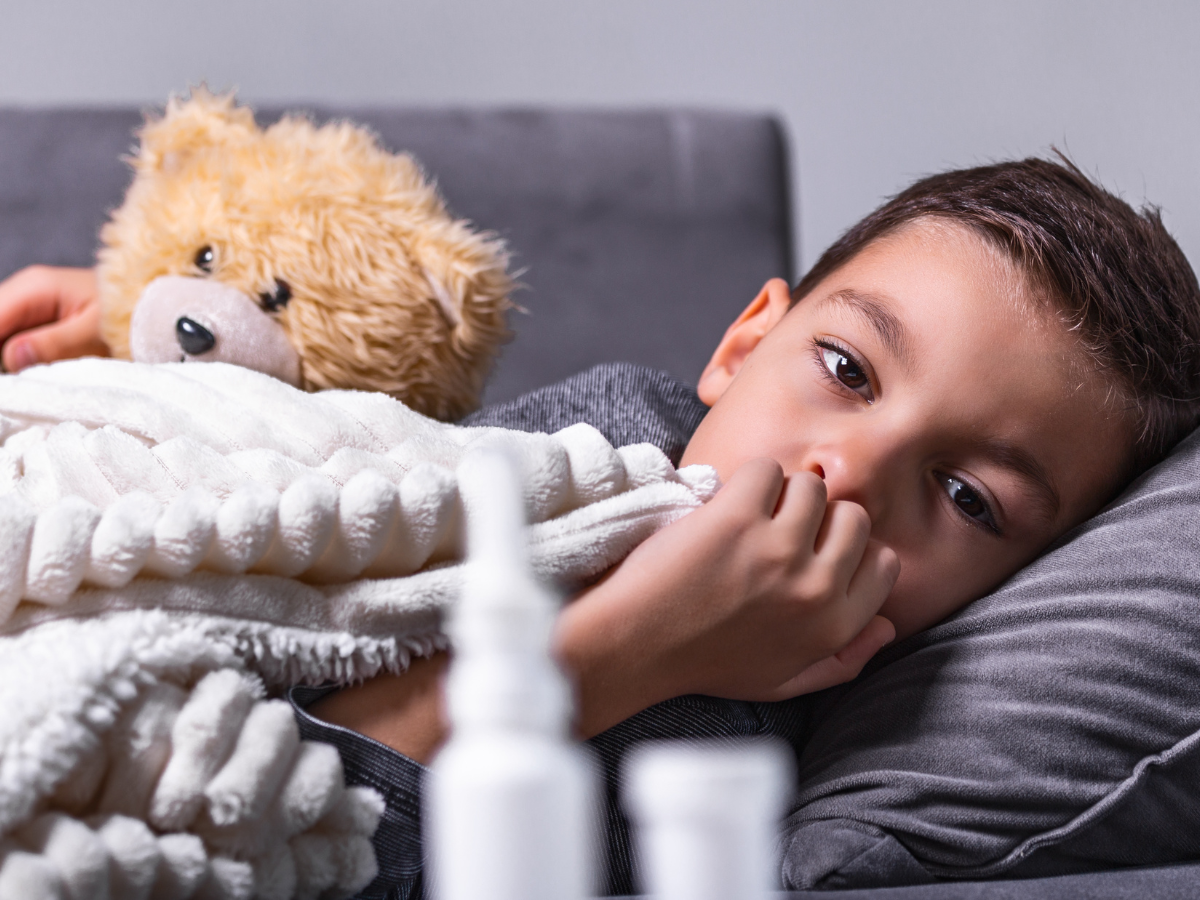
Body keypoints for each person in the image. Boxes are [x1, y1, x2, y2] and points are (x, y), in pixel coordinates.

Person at [3, 157, 1199, 897]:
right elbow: (318, 523)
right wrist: (159, 361)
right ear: (742, 346)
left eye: (968, 499)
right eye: (844, 367)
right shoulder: (597, 443)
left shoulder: (799, 750)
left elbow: (278, 827)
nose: (847, 470)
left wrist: (638, 653)